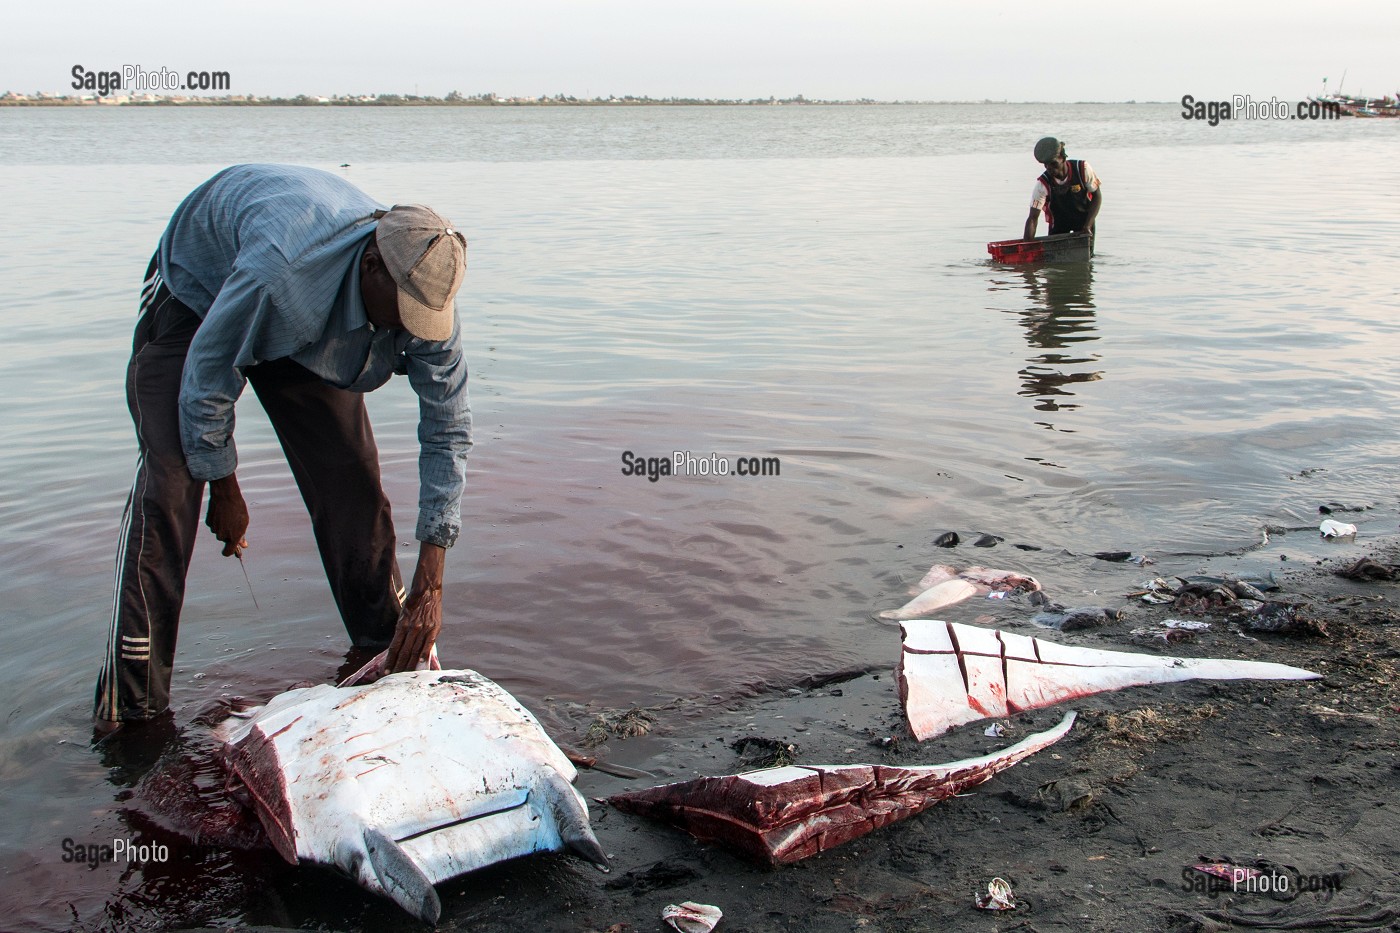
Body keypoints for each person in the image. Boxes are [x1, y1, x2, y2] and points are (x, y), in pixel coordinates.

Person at [93, 164, 472, 730]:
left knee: (352, 484)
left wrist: (432, 580)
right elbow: (207, 373)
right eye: (406, 313)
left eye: (426, 318)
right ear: (372, 266)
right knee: (172, 483)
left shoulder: (426, 294)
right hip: (199, 293)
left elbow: (447, 429)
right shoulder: (279, 273)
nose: (415, 328)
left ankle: (386, 657)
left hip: (316, 314)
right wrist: (224, 482)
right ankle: (133, 711)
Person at [1022, 137, 1102, 244]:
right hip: (1059, 223)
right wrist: (1027, 245)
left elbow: (1097, 196)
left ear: (1063, 159)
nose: (1049, 168)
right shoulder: (1042, 184)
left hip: (1084, 220)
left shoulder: (1082, 169)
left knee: (1087, 256)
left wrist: (1087, 226)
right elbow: (1033, 218)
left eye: (1053, 164)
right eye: (1046, 165)